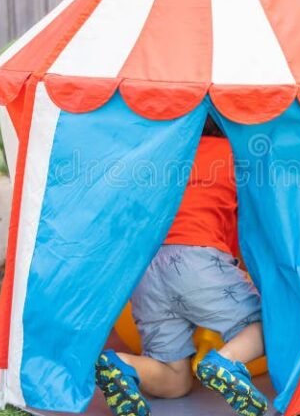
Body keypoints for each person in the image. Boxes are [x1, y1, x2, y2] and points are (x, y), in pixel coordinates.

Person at [94, 117, 268, 416]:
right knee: (267, 324)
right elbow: (255, 223)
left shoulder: (163, 156)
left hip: (146, 270)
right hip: (196, 259)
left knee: (174, 379)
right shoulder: (236, 156)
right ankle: (226, 362)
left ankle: (123, 364)